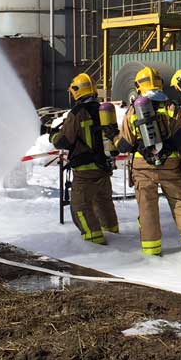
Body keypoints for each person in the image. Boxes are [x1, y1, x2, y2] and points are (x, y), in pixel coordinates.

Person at [116, 66, 181, 257]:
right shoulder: (171, 107)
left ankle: (151, 250)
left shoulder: (133, 111)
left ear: (139, 87)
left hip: (142, 167)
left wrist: (115, 141)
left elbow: (124, 145)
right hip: (170, 165)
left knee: (147, 207)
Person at [50, 72, 118, 244]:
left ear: (76, 91)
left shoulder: (77, 113)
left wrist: (52, 136)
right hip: (104, 167)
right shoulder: (103, 110)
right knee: (104, 203)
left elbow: (64, 140)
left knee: (80, 206)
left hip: (85, 170)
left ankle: (94, 240)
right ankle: (114, 236)